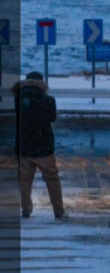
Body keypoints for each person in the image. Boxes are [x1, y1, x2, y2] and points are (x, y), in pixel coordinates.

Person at [14, 72, 66, 219]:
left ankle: (26, 210)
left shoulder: (18, 98)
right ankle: (58, 211)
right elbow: (52, 118)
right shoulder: (48, 100)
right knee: (52, 179)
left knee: (25, 180)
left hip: (24, 148)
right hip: (43, 147)